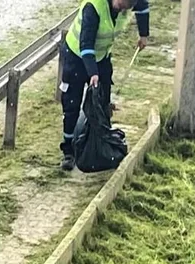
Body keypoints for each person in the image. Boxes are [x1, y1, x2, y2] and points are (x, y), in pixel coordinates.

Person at [59, 0, 151, 171]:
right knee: (72, 103)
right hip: (77, 56)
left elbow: (143, 6)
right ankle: (68, 151)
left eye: (128, 7)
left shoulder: (130, 2)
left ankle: (101, 141)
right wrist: (93, 73)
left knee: (102, 102)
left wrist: (143, 34)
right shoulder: (93, 7)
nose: (124, 9)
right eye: (122, 4)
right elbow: (86, 45)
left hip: (102, 56)